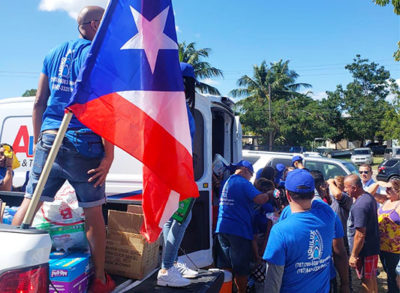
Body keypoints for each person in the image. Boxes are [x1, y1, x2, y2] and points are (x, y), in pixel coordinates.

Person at [11, 6, 116, 293]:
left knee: (29, 202)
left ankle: (6, 268)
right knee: (93, 212)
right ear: (94, 25)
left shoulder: (52, 53)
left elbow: (38, 102)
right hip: (84, 140)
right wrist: (109, 154)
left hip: (49, 136)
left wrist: (39, 141)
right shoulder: (96, 56)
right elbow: (106, 107)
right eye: (105, 24)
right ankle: (99, 279)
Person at [156, 62, 199, 288]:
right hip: (177, 170)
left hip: (173, 168)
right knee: (182, 218)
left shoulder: (170, 103)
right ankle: (167, 268)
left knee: (173, 218)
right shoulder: (176, 105)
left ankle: (170, 262)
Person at [263, 169, 336, 292]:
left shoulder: (280, 231)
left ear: (287, 195)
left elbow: (273, 279)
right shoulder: (328, 215)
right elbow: (318, 202)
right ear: (313, 194)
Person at [215, 160, 270, 293]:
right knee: (241, 269)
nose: (250, 178)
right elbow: (260, 199)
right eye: (251, 175)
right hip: (238, 230)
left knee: (225, 266)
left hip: (222, 228)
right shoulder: (242, 182)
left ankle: (226, 289)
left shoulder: (227, 182)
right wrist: (270, 194)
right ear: (245, 170)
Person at [344, 174, 380, 293]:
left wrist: (354, 255)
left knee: (366, 281)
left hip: (365, 250)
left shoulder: (360, 206)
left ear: (354, 188)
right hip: (372, 247)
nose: (345, 190)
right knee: (372, 277)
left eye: (346, 187)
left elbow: (360, 234)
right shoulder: (368, 197)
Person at [369, 179, 400, 293]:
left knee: (394, 275)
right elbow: (368, 195)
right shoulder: (386, 200)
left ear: (398, 190)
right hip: (382, 247)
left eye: (389, 188)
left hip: (395, 249)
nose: (386, 190)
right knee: (389, 273)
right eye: (386, 188)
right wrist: (377, 184)